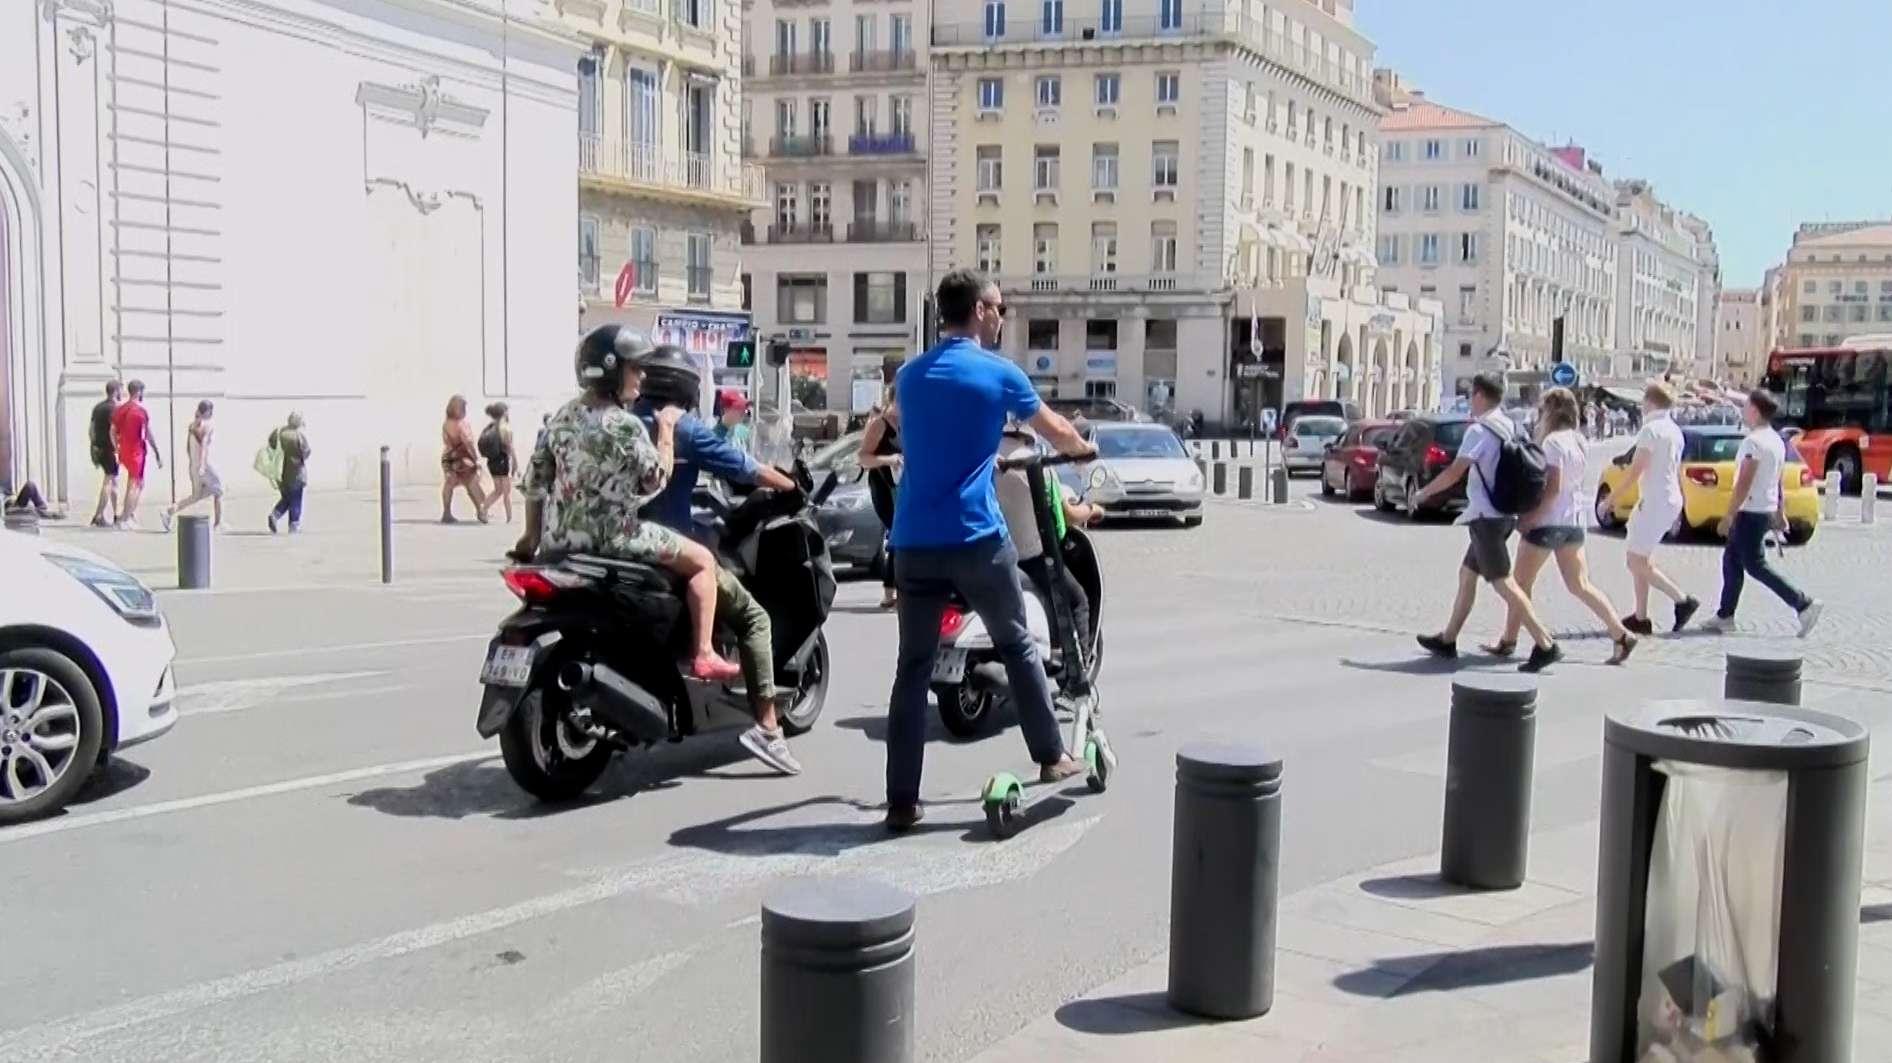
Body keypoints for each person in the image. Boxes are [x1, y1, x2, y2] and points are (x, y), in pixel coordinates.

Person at [882, 270, 1096, 832]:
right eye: (999, 307)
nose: (1003, 316)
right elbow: (1053, 431)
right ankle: (1052, 756)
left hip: (912, 542)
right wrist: (1084, 450)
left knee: (912, 668)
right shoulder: (999, 373)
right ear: (977, 310)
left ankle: (901, 801)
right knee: (1018, 642)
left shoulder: (909, 376)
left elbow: (910, 435)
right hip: (975, 535)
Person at [513, 325, 742, 682]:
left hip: (558, 542)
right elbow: (656, 479)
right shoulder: (624, 425)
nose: (642, 376)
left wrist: (530, 539)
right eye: (635, 368)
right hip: (616, 537)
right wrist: (666, 431)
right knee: (702, 561)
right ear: (612, 371)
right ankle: (704, 653)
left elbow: (535, 486)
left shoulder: (561, 418)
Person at [624, 345, 805, 774]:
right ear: (686, 386)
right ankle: (766, 726)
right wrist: (791, 486)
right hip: (658, 545)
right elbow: (743, 467)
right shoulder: (682, 428)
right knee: (754, 617)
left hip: (606, 543)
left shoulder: (619, 421)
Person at [1411, 372, 1564, 673]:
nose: (1470, 401)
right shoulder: (1510, 425)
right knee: (1467, 575)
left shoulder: (1479, 431)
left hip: (1487, 518)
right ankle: (1448, 638)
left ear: (1480, 395)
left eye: (1471, 395)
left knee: (1503, 582)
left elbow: (1456, 472)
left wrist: (1424, 493)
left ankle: (1545, 643)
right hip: (1504, 513)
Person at [1487, 388, 1637, 664]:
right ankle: (1620, 633)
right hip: (1574, 521)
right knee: (1580, 584)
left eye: (1542, 410)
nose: (1539, 415)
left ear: (1551, 411)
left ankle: (1517, 641)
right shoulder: (1579, 440)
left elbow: (1552, 487)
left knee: (1520, 584)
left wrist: (1531, 518)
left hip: (1548, 522)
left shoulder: (1553, 443)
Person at [1704, 389, 1823, 637]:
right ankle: (1725, 615)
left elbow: (1744, 481)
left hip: (1750, 510)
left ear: (1755, 411)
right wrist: (1780, 511)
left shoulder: (1753, 442)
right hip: (1763, 507)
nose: (1743, 410)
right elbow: (1777, 480)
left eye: (1746, 406)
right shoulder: (1776, 441)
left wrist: (1728, 515)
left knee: (1755, 565)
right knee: (1732, 561)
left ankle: (1803, 604)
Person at [996, 426, 1099, 659]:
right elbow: (1067, 515)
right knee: (1078, 600)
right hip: (1031, 558)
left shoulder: (984, 460)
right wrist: (1094, 509)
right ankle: (1077, 669)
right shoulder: (1037, 465)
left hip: (991, 555)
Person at [1621, 382, 1700, 636]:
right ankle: (1640, 616)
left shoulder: (1651, 429)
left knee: (1635, 560)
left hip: (1655, 500)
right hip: (1667, 499)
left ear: (1649, 402)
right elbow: (1676, 470)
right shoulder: (1675, 431)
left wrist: (1612, 499)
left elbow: (1637, 469)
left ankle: (1682, 600)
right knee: (1641, 557)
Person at [858, 387, 902, 610]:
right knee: (897, 532)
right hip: (884, 486)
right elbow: (863, 458)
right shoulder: (880, 424)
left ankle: (895, 590)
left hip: (903, 486)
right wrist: (888, 460)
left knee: (902, 534)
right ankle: (890, 592)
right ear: (892, 401)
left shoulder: (908, 424)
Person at [161, 400, 224, 531]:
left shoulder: (192, 426)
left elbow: (188, 447)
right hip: (205, 466)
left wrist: (193, 464)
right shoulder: (207, 426)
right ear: (207, 411)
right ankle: (218, 524)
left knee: (196, 496)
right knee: (219, 490)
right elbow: (204, 446)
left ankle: (169, 512)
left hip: (194, 467)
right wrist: (202, 465)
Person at [111, 380, 162, 529]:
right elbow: (148, 434)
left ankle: (128, 515)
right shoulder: (140, 412)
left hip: (124, 450)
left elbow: (112, 431)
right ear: (139, 391)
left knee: (133, 484)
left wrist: (116, 448)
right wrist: (157, 452)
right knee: (136, 484)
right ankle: (125, 519)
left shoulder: (120, 409)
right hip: (137, 452)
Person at [440, 395, 490, 524]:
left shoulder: (446, 424)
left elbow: (447, 441)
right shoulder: (462, 424)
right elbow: (468, 443)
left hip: (449, 456)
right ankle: (481, 510)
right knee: (472, 483)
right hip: (463, 458)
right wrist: (475, 459)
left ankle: (446, 512)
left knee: (449, 484)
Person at [267, 412, 312, 533]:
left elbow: (270, 445)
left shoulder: (278, 432)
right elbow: (306, 452)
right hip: (296, 472)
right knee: (296, 499)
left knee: (287, 498)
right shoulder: (299, 436)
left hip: (281, 472)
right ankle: (294, 525)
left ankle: (275, 515)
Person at [88, 380, 123, 527]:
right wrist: (118, 447)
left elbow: (91, 430)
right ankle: (98, 515)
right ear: (115, 391)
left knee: (114, 481)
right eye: (121, 390)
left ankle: (116, 514)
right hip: (110, 449)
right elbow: (115, 431)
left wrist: (94, 446)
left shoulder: (97, 408)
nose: (122, 393)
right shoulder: (115, 409)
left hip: (98, 449)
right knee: (109, 481)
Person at [479, 402, 517, 524]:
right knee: (506, 492)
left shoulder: (490, 427)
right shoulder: (505, 428)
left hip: (492, 462)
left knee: (498, 490)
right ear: (504, 412)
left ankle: (483, 508)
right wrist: (515, 463)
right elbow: (510, 448)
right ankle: (509, 518)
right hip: (503, 461)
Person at [712, 387, 753, 453]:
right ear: (725, 409)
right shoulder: (714, 437)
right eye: (739, 407)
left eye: (745, 408)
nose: (743, 412)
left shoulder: (743, 431)